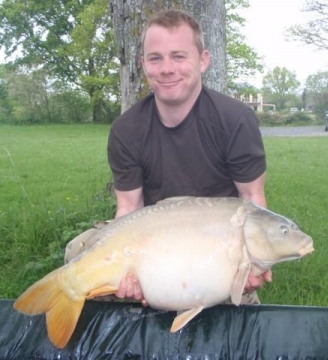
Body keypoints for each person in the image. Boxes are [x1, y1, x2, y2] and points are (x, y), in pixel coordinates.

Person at [65, 9, 272, 304]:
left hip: (217, 245)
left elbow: (253, 199)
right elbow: (128, 207)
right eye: (155, 58)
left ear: (203, 60)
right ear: (143, 64)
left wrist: (251, 262)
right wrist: (128, 271)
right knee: (77, 252)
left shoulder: (235, 119)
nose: (167, 68)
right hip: (155, 243)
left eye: (178, 56)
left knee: (239, 327)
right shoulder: (127, 129)